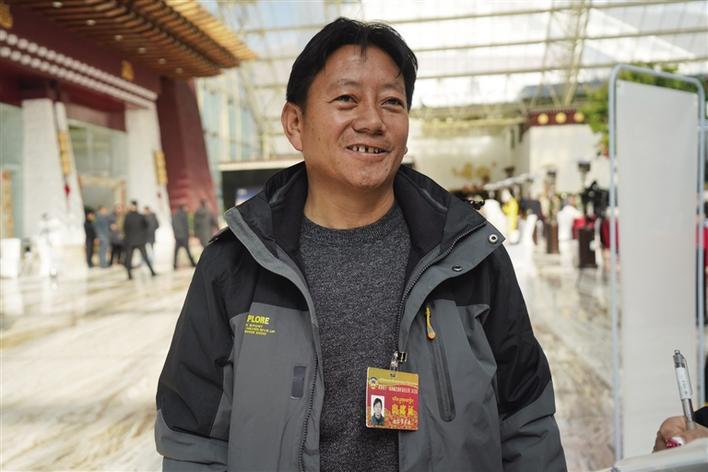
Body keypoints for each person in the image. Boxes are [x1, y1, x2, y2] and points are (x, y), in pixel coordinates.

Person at [156, 18, 566, 471]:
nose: (372, 121)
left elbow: (527, 425)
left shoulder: (469, 257)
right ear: (295, 123)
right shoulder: (235, 265)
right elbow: (193, 443)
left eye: (392, 102)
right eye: (346, 99)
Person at [123, 200, 157, 280]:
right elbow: (146, 226)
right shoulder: (139, 216)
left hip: (133, 241)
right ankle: (151, 272)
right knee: (134, 258)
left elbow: (125, 228)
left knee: (132, 258)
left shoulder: (128, 216)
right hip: (137, 240)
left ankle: (130, 275)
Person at [171, 204, 196, 269]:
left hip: (177, 236)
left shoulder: (174, 215)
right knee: (188, 250)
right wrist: (188, 234)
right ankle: (193, 263)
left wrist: (175, 235)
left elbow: (173, 226)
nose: (186, 209)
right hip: (184, 236)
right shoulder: (184, 215)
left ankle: (174, 265)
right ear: (183, 208)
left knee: (176, 252)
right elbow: (186, 226)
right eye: (185, 208)